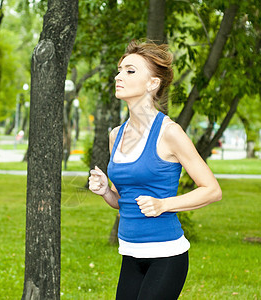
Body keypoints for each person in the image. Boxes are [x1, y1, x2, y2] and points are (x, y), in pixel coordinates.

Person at [89, 39, 222, 300]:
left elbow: (212, 190)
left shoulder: (169, 133)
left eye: (130, 71)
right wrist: (106, 191)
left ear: (152, 83)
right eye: (119, 69)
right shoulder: (116, 135)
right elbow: (122, 202)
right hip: (130, 253)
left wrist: (164, 204)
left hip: (166, 255)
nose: (119, 76)